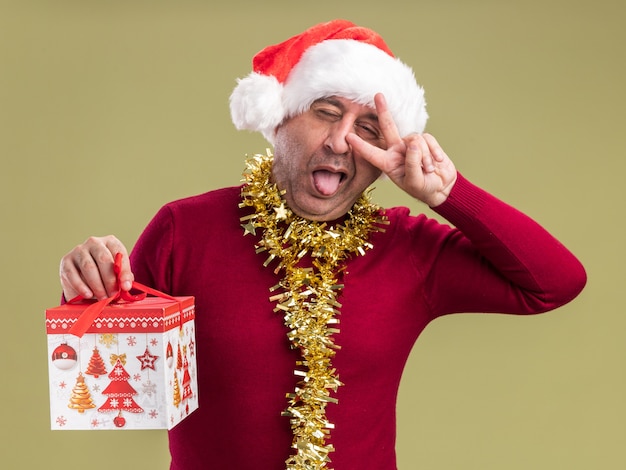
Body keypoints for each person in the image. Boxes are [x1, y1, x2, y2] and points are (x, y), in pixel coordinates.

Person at [59, 19, 586, 470]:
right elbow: (112, 392)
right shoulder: (185, 230)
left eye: (370, 129)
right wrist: (88, 293)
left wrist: (451, 195)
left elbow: (556, 284)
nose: (340, 141)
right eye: (328, 112)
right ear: (280, 118)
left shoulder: (407, 248)